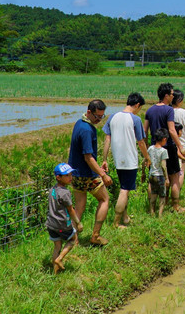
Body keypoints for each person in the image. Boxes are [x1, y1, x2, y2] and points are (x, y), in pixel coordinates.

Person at [101, 92, 150, 229]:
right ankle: (116, 223)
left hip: (117, 159)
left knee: (124, 187)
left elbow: (107, 139)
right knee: (125, 190)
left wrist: (105, 159)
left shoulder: (113, 117)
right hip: (129, 160)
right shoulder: (135, 120)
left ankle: (125, 217)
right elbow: (141, 142)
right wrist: (147, 157)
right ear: (137, 105)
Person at [68, 99, 114, 246]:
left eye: (102, 117)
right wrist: (103, 174)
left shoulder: (79, 123)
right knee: (104, 199)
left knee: (79, 205)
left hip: (74, 173)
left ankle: (73, 240)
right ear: (89, 112)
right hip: (87, 174)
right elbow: (88, 158)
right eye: (97, 116)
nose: (99, 120)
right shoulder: (88, 130)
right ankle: (95, 236)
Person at [145, 83, 185, 213]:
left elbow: (145, 131)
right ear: (166, 96)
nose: (172, 97)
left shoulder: (150, 110)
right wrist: (180, 146)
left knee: (153, 178)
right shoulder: (168, 110)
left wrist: (148, 147)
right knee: (174, 177)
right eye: (171, 94)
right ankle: (175, 206)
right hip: (168, 147)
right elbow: (171, 130)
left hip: (154, 147)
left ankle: (152, 208)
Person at [47, 162, 82, 274]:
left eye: (71, 174)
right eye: (67, 175)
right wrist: (78, 222)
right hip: (62, 224)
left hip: (50, 224)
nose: (70, 177)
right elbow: (71, 210)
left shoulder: (52, 189)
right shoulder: (65, 193)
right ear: (58, 177)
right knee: (73, 239)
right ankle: (60, 258)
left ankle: (55, 272)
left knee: (57, 245)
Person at [147, 128, 170, 217]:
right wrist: (167, 178)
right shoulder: (163, 151)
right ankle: (160, 215)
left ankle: (152, 212)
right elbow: (163, 166)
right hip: (160, 175)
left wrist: (144, 174)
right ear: (164, 139)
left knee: (153, 195)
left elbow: (145, 161)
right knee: (162, 196)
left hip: (152, 174)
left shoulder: (150, 149)